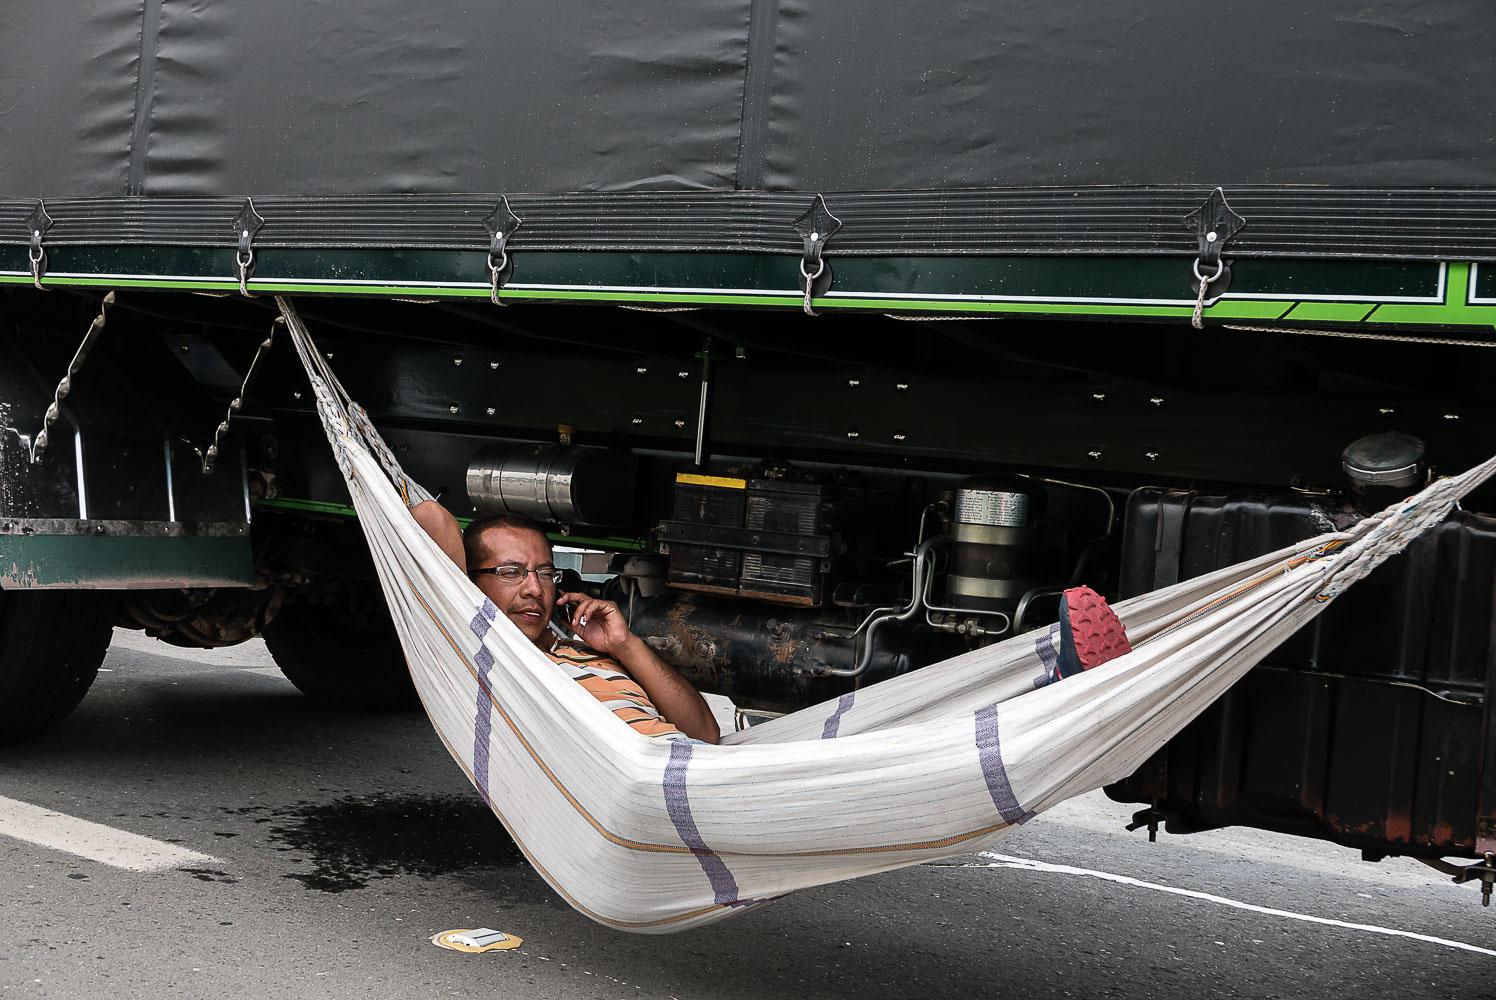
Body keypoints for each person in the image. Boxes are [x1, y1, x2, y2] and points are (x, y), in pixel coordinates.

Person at [411, 501, 719, 744]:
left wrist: (625, 646)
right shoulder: (488, 653)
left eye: (545, 573)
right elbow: (431, 516)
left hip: (690, 765)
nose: (535, 589)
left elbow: (705, 733)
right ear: (470, 582)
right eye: (510, 572)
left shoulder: (596, 651)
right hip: (644, 777)